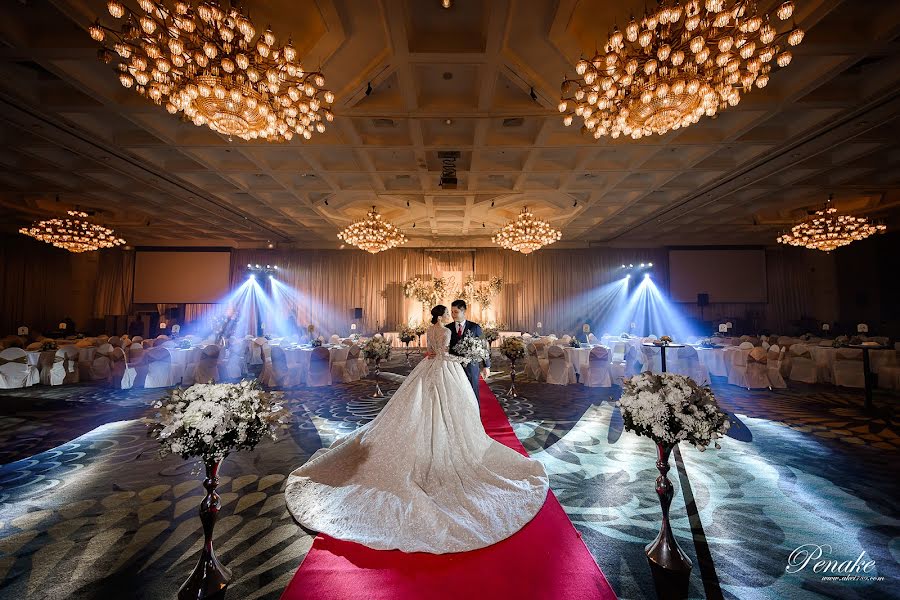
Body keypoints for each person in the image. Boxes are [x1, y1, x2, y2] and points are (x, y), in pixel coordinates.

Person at [284, 304, 548, 554]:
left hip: (428, 367)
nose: (448, 315)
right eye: (446, 312)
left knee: (420, 405)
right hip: (445, 369)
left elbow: (431, 352)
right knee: (449, 407)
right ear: (442, 315)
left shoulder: (429, 330)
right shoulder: (444, 331)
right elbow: (444, 354)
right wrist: (466, 355)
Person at [447, 299, 490, 404]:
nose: (453, 315)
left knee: (473, 393)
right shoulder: (447, 328)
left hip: (471, 367)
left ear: (464, 311)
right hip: (453, 367)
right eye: (452, 312)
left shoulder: (475, 327)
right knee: (455, 394)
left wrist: (486, 366)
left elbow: (484, 347)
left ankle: (475, 417)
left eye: (456, 312)